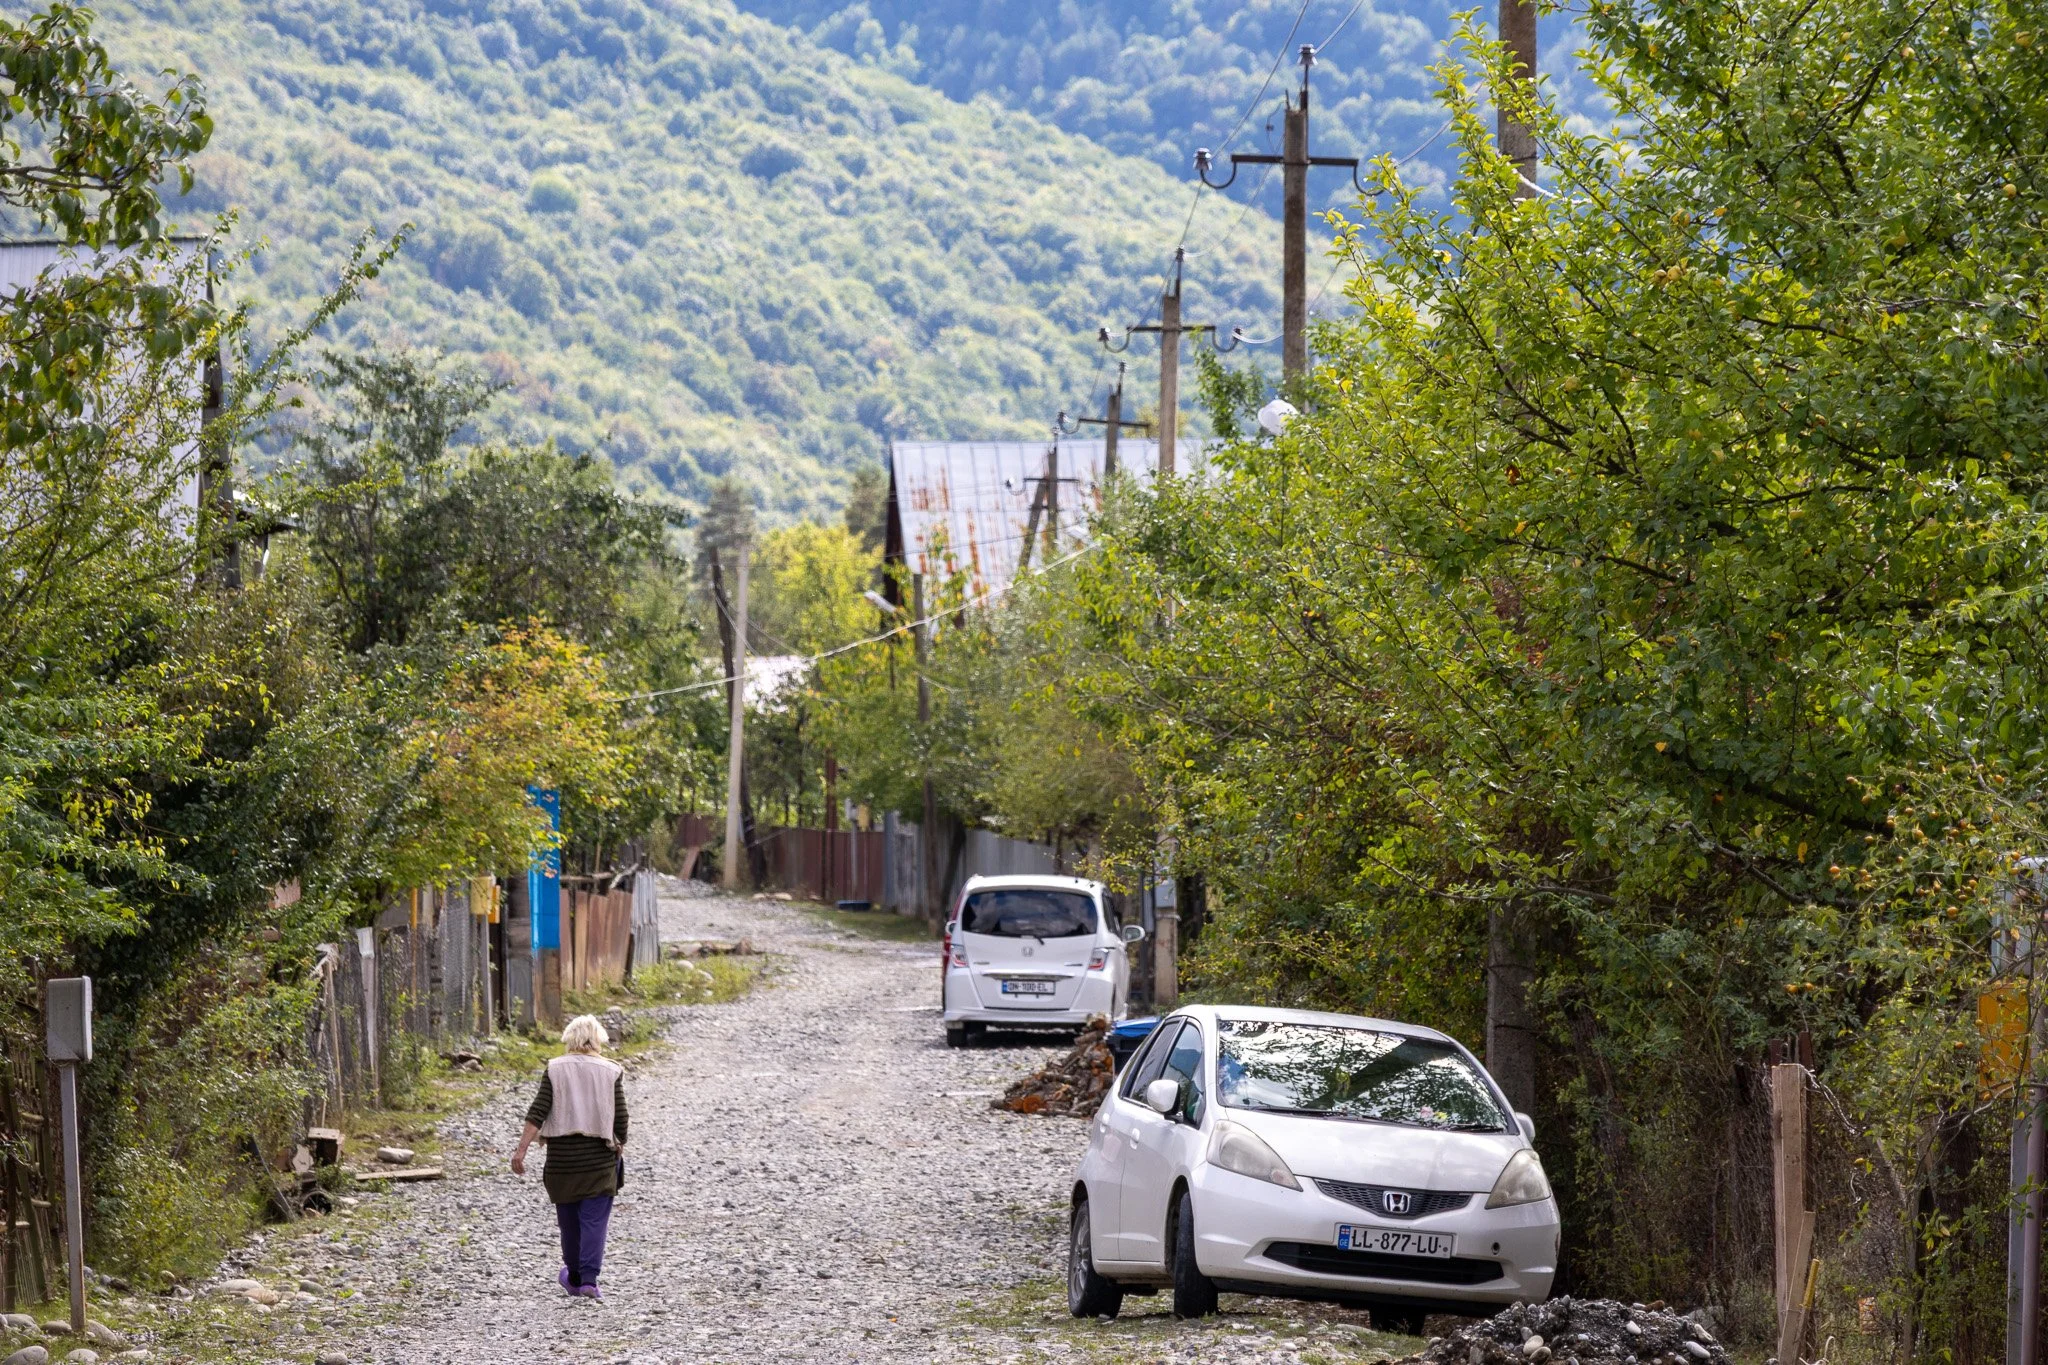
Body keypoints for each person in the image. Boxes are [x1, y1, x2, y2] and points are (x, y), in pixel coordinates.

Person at [511, 1015, 629, 1298]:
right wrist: (619, 1142)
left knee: (568, 1220)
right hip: (598, 1161)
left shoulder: (555, 1068)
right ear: (597, 1040)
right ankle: (589, 1280)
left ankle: (573, 1275)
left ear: (570, 1040)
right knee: (593, 1221)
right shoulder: (610, 1071)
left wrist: (521, 1150)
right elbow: (621, 1118)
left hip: (562, 1161)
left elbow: (538, 1111)